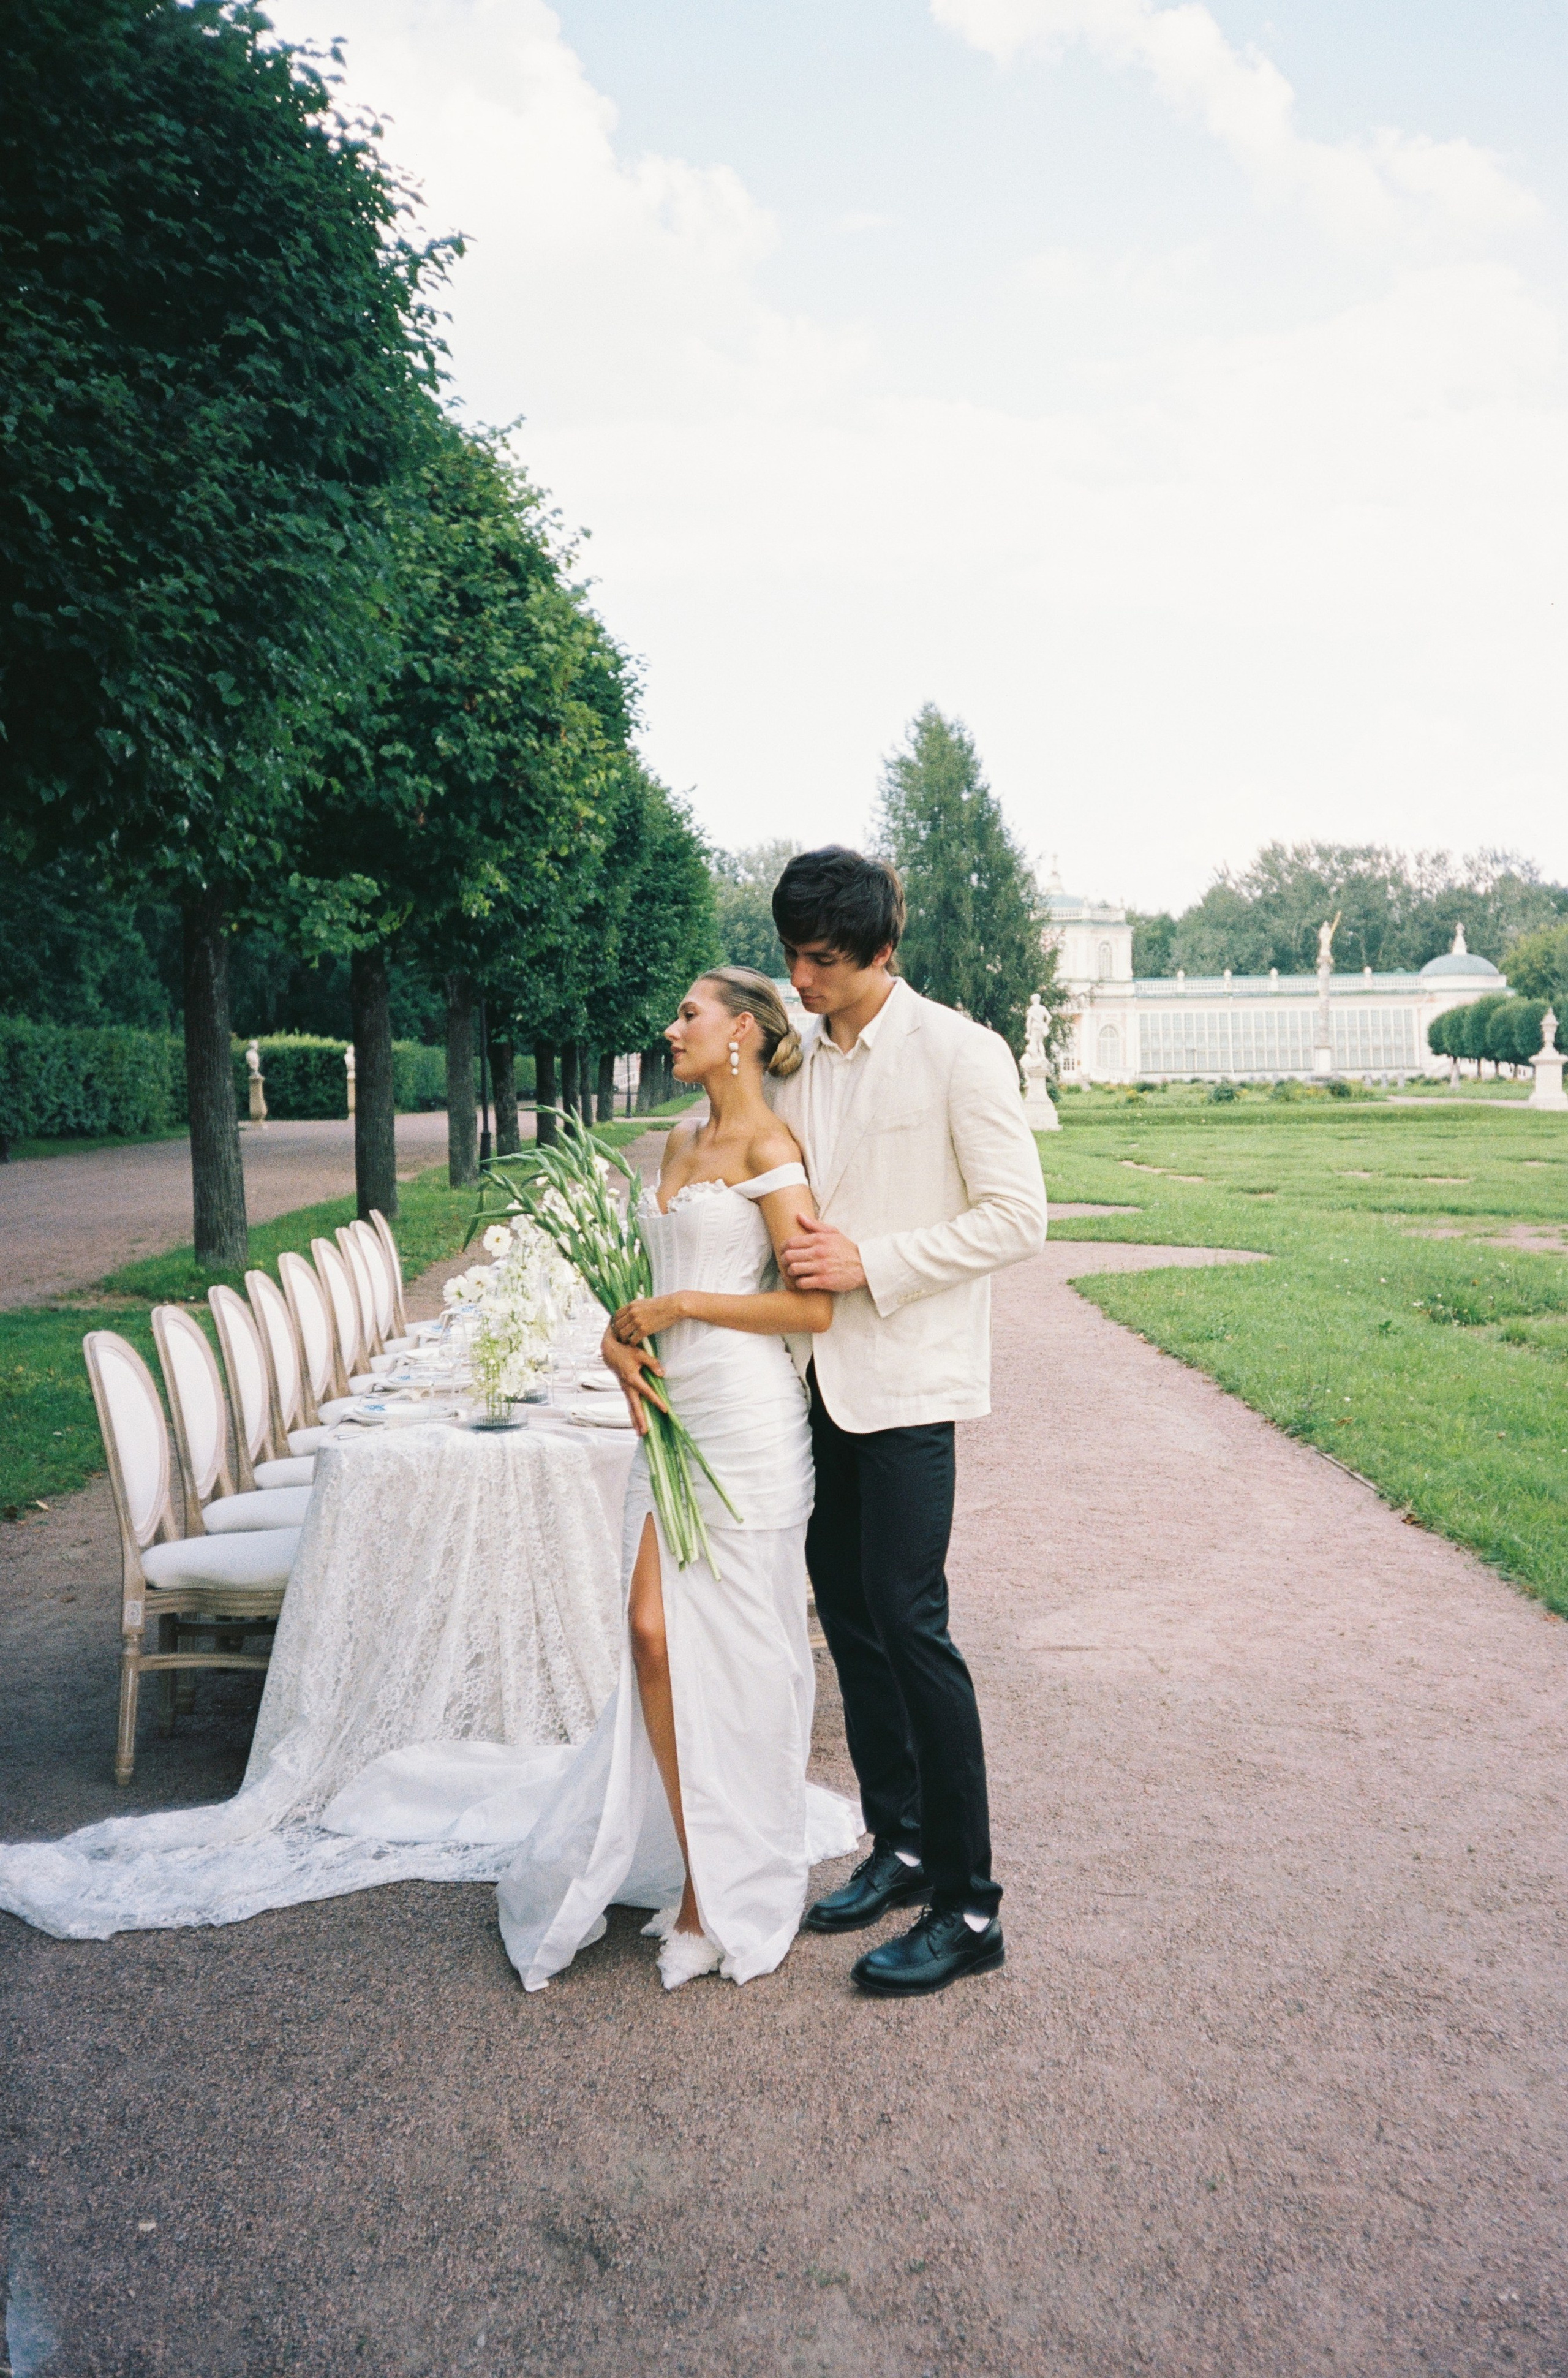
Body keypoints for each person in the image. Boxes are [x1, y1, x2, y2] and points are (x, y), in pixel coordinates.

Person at [496, 966, 861, 1989]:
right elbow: (644, 1296)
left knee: (735, 1656)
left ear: (741, 1030)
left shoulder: (770, 1150)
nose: (672, 1027)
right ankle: (695, 1857)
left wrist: (686, 1304)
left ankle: (714, 1889)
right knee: (650, 1633)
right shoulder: (676, 1142)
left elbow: (811, 1308)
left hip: (744, 1423)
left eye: (689, 1014)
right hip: (667, 1415)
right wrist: (622, 1343)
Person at [764, 846, 1049, 1997]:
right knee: (850, 1618)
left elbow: (1018, 1217)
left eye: (823, 960)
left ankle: (971, 1906)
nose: (802, 979)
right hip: (811, 1385)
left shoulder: (962, 1052)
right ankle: (902, 1843)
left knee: (910, 1621)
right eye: (792, 955)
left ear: (884, 950)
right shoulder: (794, 1059)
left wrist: (871, 1261)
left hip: (910, 1383)